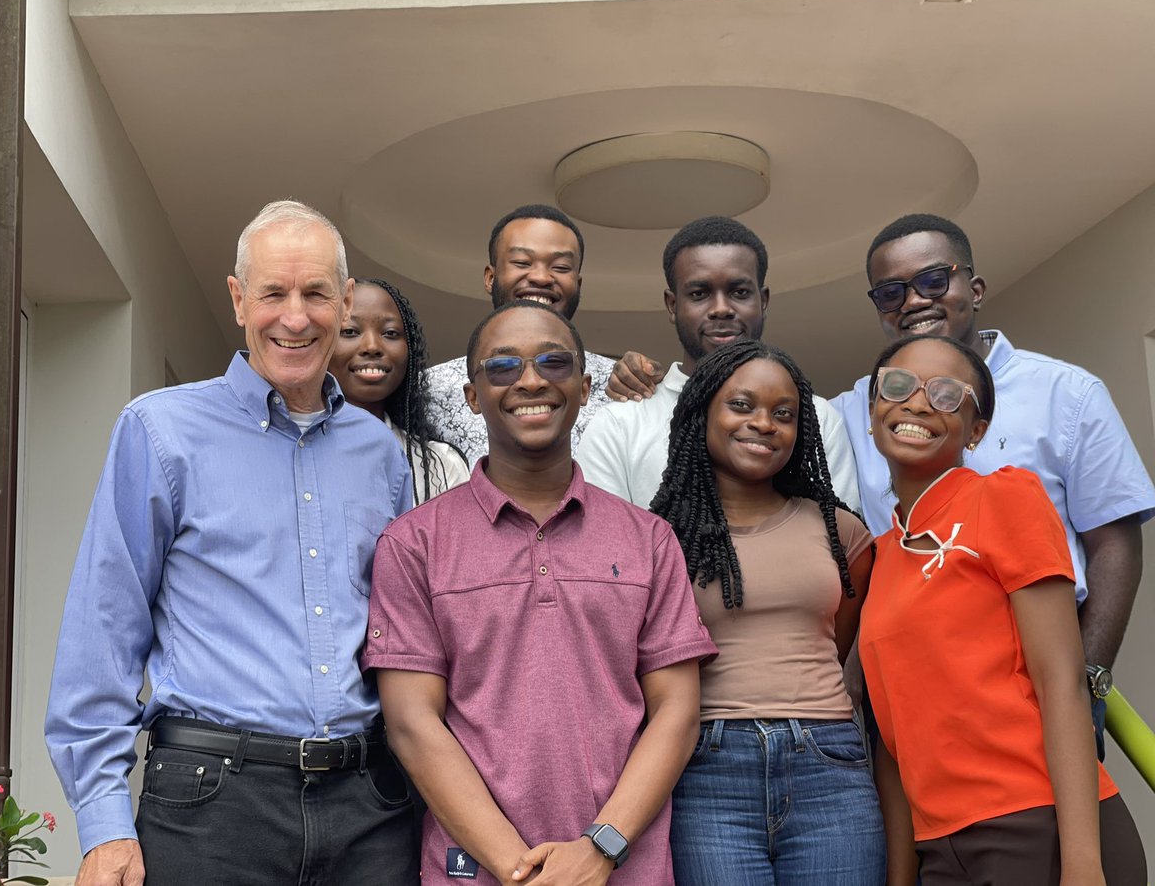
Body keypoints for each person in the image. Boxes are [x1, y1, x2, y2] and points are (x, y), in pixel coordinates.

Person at [45, 201, 417, 886]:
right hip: (211, 805)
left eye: (315, 293)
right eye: (274, 292)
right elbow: (104, 628)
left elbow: (409, 637)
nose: (296, 317)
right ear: (239, 299)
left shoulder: (380, 453)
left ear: (343, 299)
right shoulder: (159, 431)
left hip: (372, 806)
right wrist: (103, 823)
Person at [364, 300, 718, 885]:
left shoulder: (649, 539)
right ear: (473, 396)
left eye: (553, 363)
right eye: (502, 366)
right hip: (475, 871)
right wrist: (518, 870)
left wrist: (599, 849)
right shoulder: (414, 543)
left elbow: (677, 713)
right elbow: (411, 725)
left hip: (623, 867)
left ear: (582, 388)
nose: (530, 380)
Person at [832, 213, 1155, 757]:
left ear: (974, 288)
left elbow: (1114, 543)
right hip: (911, 683)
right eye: (890, 292)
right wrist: (639, 388)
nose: (913, 301)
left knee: (1051, 830)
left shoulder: (1065, 393)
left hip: (1039, 671)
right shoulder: (858, 408)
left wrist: (1085, 679)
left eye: (934, 280)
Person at [860, 333, 1146, 885]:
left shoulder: (1004, 498)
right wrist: (901, 875)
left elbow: (1060, 680)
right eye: (896, 387)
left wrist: (1083, 864)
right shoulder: (879, 557)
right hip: (942, 850)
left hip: (1039, 825)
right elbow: (894, 740)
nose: (918, 403)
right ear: (872, 413)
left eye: (947, 395)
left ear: (978, 430)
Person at [650, 340, 885, 885]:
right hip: (705, 767)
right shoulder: (658, 538)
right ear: (699, 413)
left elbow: (841, 639)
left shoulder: (839, 529)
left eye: (784, 414)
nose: (764, 424)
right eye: (741, 406)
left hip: (829, 762)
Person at [578, 216, 860, 512]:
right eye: (699, 294)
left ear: (763, 300)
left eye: (739, 292)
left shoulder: (816, 418)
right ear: (672, 305)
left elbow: (839, 539)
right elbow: (604, 549)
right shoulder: (620, 425)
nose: (721, 309)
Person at [427, 204, 615, 462]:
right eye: (522, 262)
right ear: (490, 278)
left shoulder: (621, 388)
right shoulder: (428, 390)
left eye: (560, 267)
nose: (540, 277)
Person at [330, 276, 469, 501]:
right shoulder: (293, 448)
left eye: (390, 333)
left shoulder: (441, 464)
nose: (372, 347)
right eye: (350, 332)